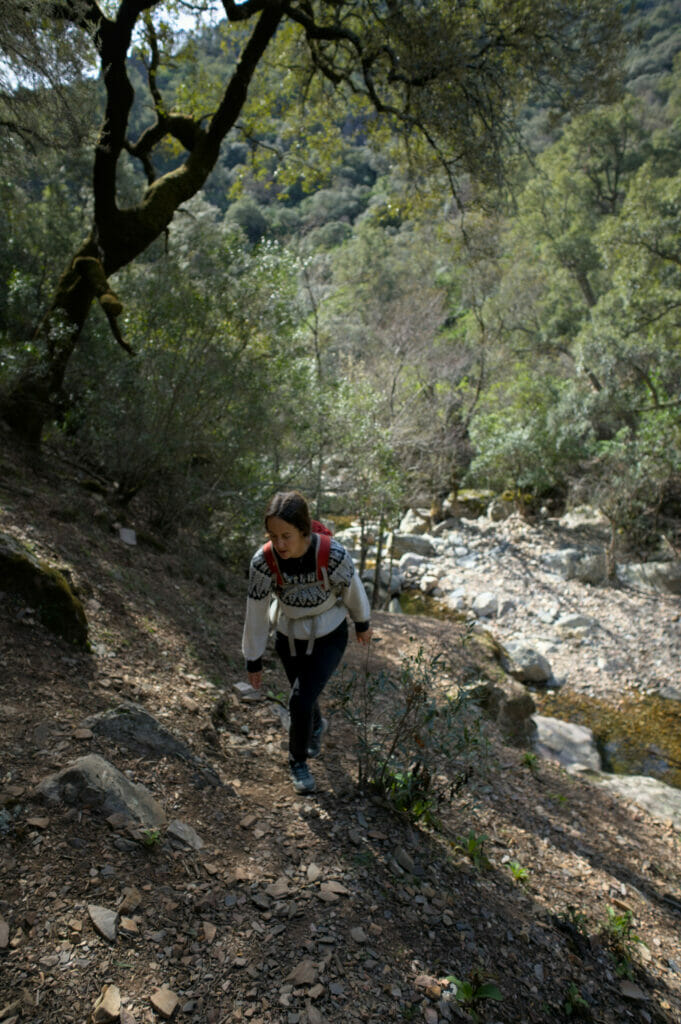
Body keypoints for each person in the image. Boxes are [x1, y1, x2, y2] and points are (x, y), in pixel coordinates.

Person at [242, 490, 372, 794]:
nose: (280, 543)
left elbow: (353, 589)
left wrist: (362, 622)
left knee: (299, 699)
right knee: (303, 694)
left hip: (330, 633)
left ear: (304, 529)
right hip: (288, 636)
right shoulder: (263, 562)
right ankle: (316, 725)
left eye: (287, 535)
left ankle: (296, 762)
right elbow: (256, 610)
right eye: (274, 535)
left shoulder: (332, 553)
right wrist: (253, 656)